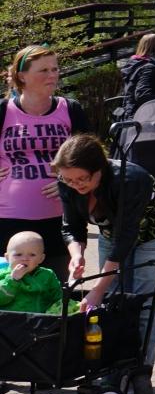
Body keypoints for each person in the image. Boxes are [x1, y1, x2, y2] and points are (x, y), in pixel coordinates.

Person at [54, 133, 155, 376]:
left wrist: (97, 289)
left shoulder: (131, 179)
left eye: (82, 178)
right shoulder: (66, 181)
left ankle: (140, 371)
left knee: (144, 303)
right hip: (112, 230)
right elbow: (71, 227)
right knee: (111, 303)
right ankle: (112, 365)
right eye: (69, 180)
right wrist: (76, 255)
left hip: (154, 231)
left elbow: (125, 240)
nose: (76, 184)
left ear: (99, 168)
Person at [1, 44, 93, 282]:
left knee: (54, 291)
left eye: (55, 69)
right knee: (9, 293)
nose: (52, 75)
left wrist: (66, 181)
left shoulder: (70, 109)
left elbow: (91, 157)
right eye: (43, 70)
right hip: (8, 220)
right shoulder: (3, 111)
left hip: (59, 219)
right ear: (22, 76)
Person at [0, 229, 65, 313]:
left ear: (41, 258)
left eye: (32, 255)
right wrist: (13, 280)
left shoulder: (47, 275)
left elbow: (58, 297)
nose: (25, 259)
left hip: (40, 321)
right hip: (11, 322)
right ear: (7, 257)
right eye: (18, 254)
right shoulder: (3, 274)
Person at [117, 32, 155, 116]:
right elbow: (143, 95)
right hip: (146, 118)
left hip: (131, 112)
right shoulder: (150, 68)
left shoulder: (135, 64)